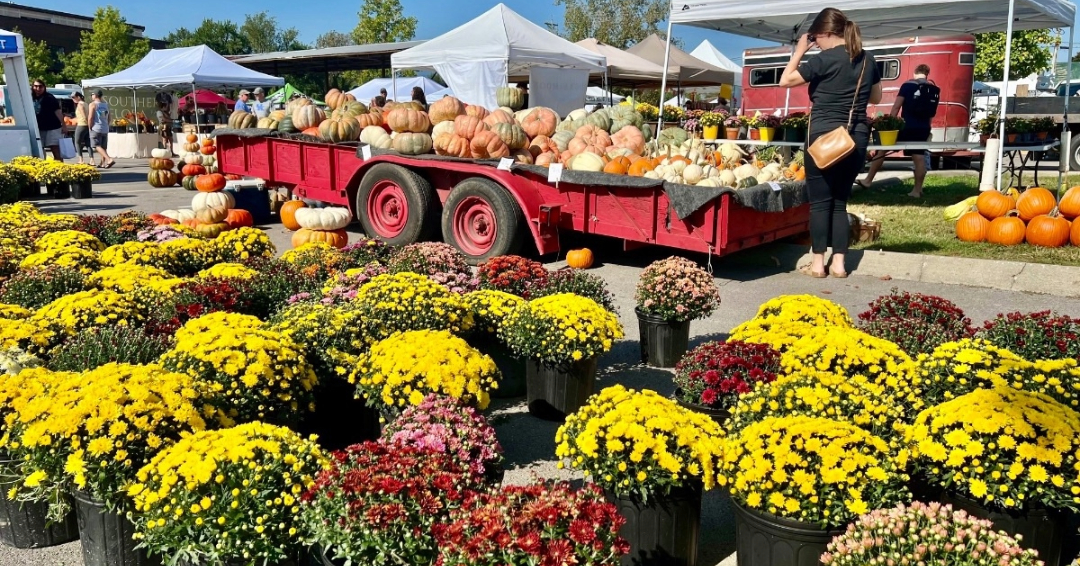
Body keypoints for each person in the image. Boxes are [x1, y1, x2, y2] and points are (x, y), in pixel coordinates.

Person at [779, 7, 881, 278]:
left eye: (815, 37)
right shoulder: (868, 60)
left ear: (825, 33)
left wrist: (800, 50)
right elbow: (877, 98)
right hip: (854, 138)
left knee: (820, 203)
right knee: (839, 202)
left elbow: (785, 81)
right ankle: (839, 264)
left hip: (823, 138)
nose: (815, 42)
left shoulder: (823, 60)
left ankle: (817, 265)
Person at [858, 64, 939, 197]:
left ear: (914, 73)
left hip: (906, 126)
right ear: (927, 74)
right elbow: (930, 114)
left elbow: (896, 107)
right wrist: (927, 128)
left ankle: (868, 181)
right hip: (923, 128)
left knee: (883, 148)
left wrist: (889, 123)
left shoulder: (908, 86)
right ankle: (917, 190)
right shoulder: (933, 89)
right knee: (919, 157)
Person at [31, 80, 65, 161]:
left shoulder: (49, 97)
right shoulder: (30, 98)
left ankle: (60, 168)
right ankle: (44, 167)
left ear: (44, 87)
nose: (38, 88)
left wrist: (64, 125)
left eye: (40, 86)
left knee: (55, 148)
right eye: (35, 86)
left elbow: (58, 111)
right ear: (32, 87)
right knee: (39, 149)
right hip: (38, 127)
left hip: (52, 127)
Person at [87, 90, 115, 168]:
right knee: (103, 146)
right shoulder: (106, 105)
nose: (91, 96)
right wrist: (107, 125)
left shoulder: (92, 104)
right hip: (105, 127)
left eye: (92, 94)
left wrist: (89, 126)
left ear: (95, 95)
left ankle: (109, 159)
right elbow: (109, 117)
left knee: (96, 145)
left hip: (96, 127)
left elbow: (90, 117)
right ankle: (102, 163)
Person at [71, 91, 91, 164]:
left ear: (78, 97)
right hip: (86, 125)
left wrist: (86, 121)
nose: (73, 99)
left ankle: (81, 159)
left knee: (77, 142)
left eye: (74, 97)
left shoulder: (80, 104)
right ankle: (92, 159)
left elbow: (83, 115)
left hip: (82, 124)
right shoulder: (86, 104)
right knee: (88, 142)